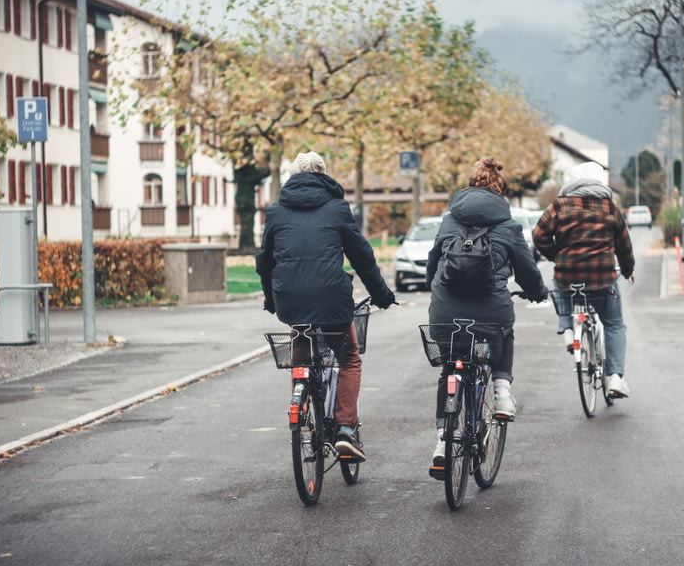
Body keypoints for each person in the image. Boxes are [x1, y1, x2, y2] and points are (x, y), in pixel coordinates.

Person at [256, 151, 395, 461]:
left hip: (290, 300)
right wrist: (382, 294)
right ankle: (345, 429)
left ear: (293, 176)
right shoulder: (337, 208)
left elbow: (264, 261)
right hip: (332, 299)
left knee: (301, 358)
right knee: (349, 359)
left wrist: (270, 297)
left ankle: (301, 403)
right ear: (323, 175)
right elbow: (362, 256)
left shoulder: (276, 211)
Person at [425, 157, 548, 468]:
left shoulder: (449, 221)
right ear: (499, 190)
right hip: (491, 311)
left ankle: (442, 441)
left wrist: (432, 286)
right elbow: (527, 272)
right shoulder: (508, 226)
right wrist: (538, 293)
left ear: (469, 185)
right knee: (504, 333)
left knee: (449, 370)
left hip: (444, 311)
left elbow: (432, 263)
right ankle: (502, 391)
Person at [532, 161, 635, 398]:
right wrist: (628, 270)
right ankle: (616, 378)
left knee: (559, 284)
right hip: (603, 279)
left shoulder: (559, 205)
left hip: (568, 276)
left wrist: (556, 256)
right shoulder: (610, 208)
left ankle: (568, 329)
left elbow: (539, 235)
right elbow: (624, 245)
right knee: (614, 324)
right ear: (600, 182)